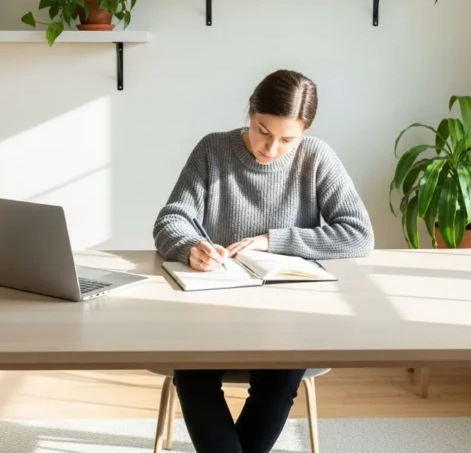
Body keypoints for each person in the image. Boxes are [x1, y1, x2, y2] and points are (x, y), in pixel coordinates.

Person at [151, 69, 375, 453]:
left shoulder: (317, 157)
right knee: (191, 373)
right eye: (262, 131)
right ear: (250, 112)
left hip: (288, 312)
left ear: (305, 131)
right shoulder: (213, 150)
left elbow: (358, 235)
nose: (270, 149)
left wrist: (275, 240)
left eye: (288, 139)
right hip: (213, 306)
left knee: (281, 375)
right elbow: (170, 219)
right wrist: (191, 247)